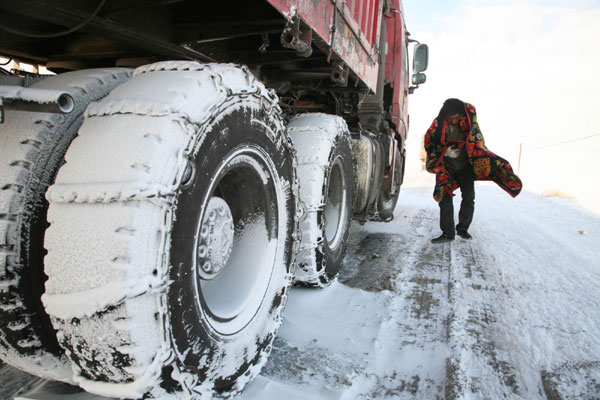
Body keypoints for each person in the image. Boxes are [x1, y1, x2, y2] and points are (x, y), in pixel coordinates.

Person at [424, 98, 522, 243]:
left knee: (469, 197)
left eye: (456, 118)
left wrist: (468, 149)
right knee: (444, 198)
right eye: (450, 119)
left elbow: (478, 142)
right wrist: (444, 152)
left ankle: (463, 229)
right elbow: (428, 142)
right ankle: (447, 233)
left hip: (465, 166)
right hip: (446, 166)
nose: (453, 121)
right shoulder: (437, 124)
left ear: (460, 115)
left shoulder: (470, 124)